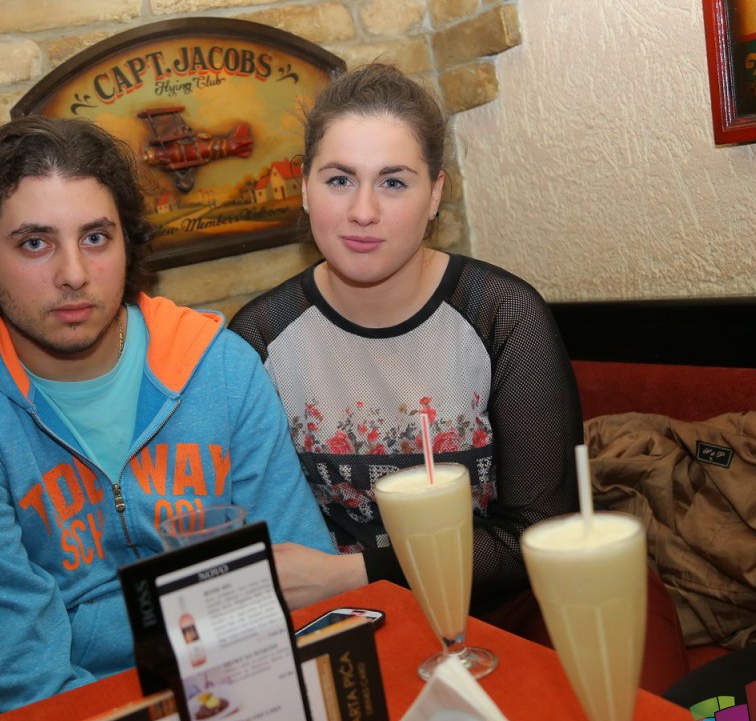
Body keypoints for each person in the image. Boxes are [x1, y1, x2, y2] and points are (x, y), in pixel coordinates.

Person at [0, 116, 335, 714]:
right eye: (34, 243)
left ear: (127, 243)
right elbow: (27, 681)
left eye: (96, 238)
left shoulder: (222, 368)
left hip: (257, 690)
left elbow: (307, 587)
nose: (73, 274)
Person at [229, 63, 584, 620]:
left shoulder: (503, 315)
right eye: (339, 180)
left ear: (435, 193)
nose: (363, 212)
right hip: (342, 627)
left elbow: (541, 534)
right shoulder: (259, 337)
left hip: (494, 620)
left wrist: (356, 573)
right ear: (304, 188)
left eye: (393, 182)